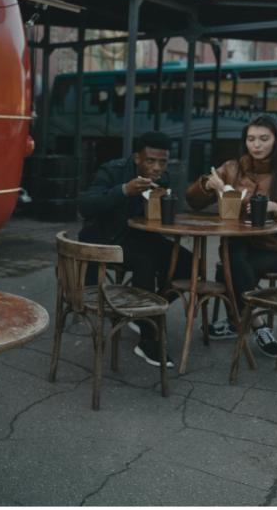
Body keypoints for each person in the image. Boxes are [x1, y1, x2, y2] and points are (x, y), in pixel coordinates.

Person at [186, 115, 277, 358]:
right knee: (232, 257)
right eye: (251, 139)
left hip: (276, 248)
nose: (257, 145)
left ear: (276, 141)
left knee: (228, 267)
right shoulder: (233, 168)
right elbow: (192, 201)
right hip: (240, 244)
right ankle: (258, 324)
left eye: (264, 138)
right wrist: (207, 185)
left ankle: (236, 322)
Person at [78, 131, 192, 368]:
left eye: (162, 162)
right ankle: (149, 340)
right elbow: (86, 205)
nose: (157, 168)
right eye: (150, 161)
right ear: (137, 158)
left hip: (138, 236)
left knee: (189, 263)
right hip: (105, 240)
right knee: (145, 260)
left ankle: (142, 314)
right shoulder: (113, 171)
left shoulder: (162, 178)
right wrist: (123, 190)